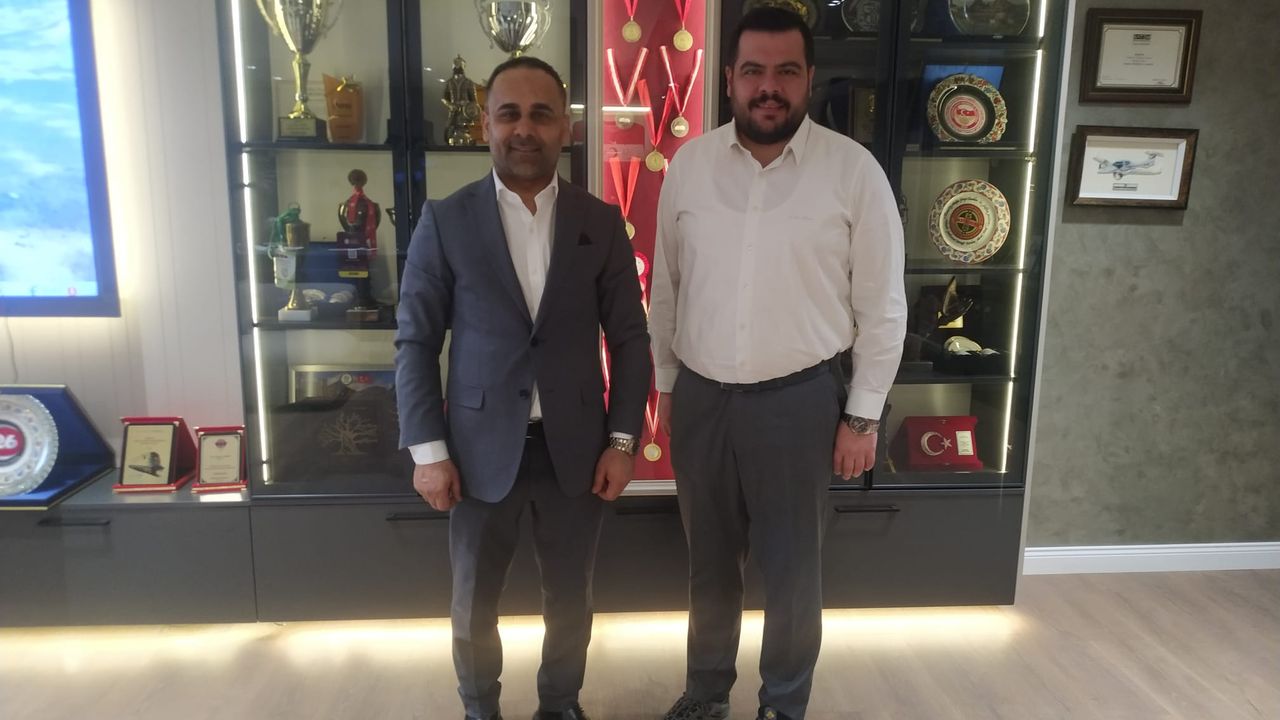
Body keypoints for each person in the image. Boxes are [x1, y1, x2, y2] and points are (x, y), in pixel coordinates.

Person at [648, 8, 906, 720]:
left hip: (801, 402)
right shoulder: (690, 166)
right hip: (702, 398)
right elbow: (667, 288)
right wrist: (667, 388)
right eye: (754, 71)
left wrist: (862, 415)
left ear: (808, 78)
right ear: (729, 78)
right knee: (708, 566)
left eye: (786, 71)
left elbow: (884, 306)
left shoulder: (853, 172)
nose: (770, 87)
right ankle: (706, 695)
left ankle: (782, 705)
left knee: (792, 572)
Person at [394, 56, 652, 720]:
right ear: (485, 124)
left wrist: (624, 441)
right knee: (473, 604)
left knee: (571, 601)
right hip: (475, 453)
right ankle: (480, 708)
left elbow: (631, 340)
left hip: (578, 451)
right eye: (509, 114)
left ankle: (559, 705)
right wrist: (428, 452)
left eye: (541, 114)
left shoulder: (601, 222)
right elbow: (416, 342)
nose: (524, 129)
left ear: (565, 127)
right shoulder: (446, 221)